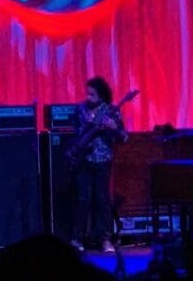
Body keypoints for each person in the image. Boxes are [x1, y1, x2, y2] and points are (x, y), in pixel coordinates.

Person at [70, 76, 127, 254]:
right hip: (84, 159)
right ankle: (77, 239)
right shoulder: (81, 109)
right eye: (87, 93)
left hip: (103, 160)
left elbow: (124, 137)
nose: (88, 97)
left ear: (101, 96)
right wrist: (88, 128)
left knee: (102, 200)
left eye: (92, 94)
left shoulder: (111, 111)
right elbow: (73, 131)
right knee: (83, 199)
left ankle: (106, 240)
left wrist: (113, 128)